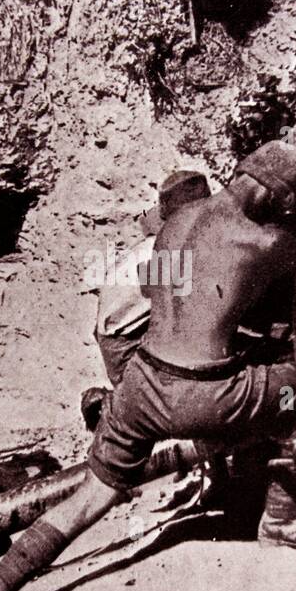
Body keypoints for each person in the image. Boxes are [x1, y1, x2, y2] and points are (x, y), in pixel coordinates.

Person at [0, 141, 296, 591]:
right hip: (205, 394)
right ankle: (281, 522)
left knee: (95, 491)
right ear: (277, 199)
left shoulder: (178, 220)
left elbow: (162, 289)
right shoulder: (270, 243)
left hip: (140, 382)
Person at [81, 170, 211, 429]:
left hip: (122, 338)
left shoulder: (158, 241)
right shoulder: (168, 252)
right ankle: (118, 408)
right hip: (127, 353)